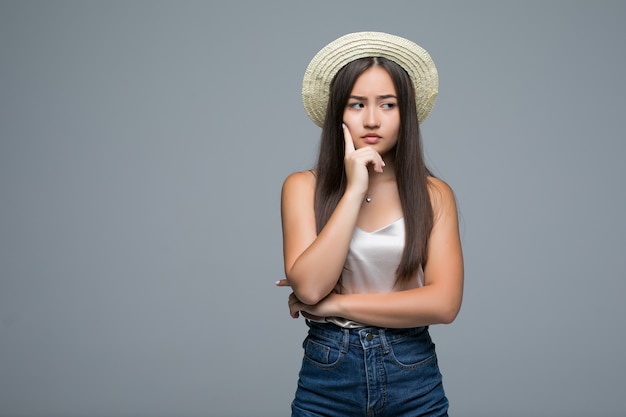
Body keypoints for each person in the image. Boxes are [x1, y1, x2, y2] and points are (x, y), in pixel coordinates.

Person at [276, 32, 464, 417]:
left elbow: (444, 304)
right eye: (357, 104)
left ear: (405, 113)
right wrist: (352, 190)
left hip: (412, 373)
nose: (372, 119)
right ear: (337, 113)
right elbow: (310, 286)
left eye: (388, 105)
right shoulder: (302, 187)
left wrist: (337, 304)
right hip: (327, 376)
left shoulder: (433, 194)